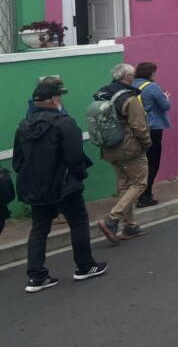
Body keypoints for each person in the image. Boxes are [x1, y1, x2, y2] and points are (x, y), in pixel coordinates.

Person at [14, 82, 107, 292]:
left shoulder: (23, 126)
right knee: (78, 222)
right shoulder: (64, 123)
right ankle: (85, 266)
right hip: (64, 185)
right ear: (56, 100)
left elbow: (18, 162)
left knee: (39, 229)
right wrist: (79, 176)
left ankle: (36, 277)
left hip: (36, 187)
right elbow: (75, 157)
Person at [94, 63, 151, 244]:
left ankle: (131, 225)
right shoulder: (129, 98)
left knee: (125, 186)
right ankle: (112, 219)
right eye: (132, 75)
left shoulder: (102, 93)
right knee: (140, 184)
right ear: (127, 77)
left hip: (109, 148)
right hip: (129, 148)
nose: (133, 78)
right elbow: (139, 126)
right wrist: (146, 143)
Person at [133, 61, 170, 207]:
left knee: (140, 162)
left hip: (136, 127)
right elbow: (166, 106)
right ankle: (146, 195)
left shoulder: (131, 84)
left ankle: (138, 193)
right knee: (152, 162)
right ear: (151, 73)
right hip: (153, 127)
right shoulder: (152, 87)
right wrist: (166, 97)